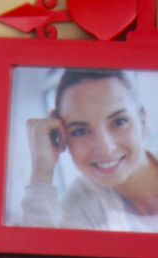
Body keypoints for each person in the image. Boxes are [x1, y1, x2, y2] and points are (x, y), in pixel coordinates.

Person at [20, 68, 158, 230]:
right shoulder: (81, 203)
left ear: (142, 121)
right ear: (62, 137)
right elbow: (37, 249)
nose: (106, 148)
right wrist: (42, 169)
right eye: (80, 131)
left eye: (119, 122)